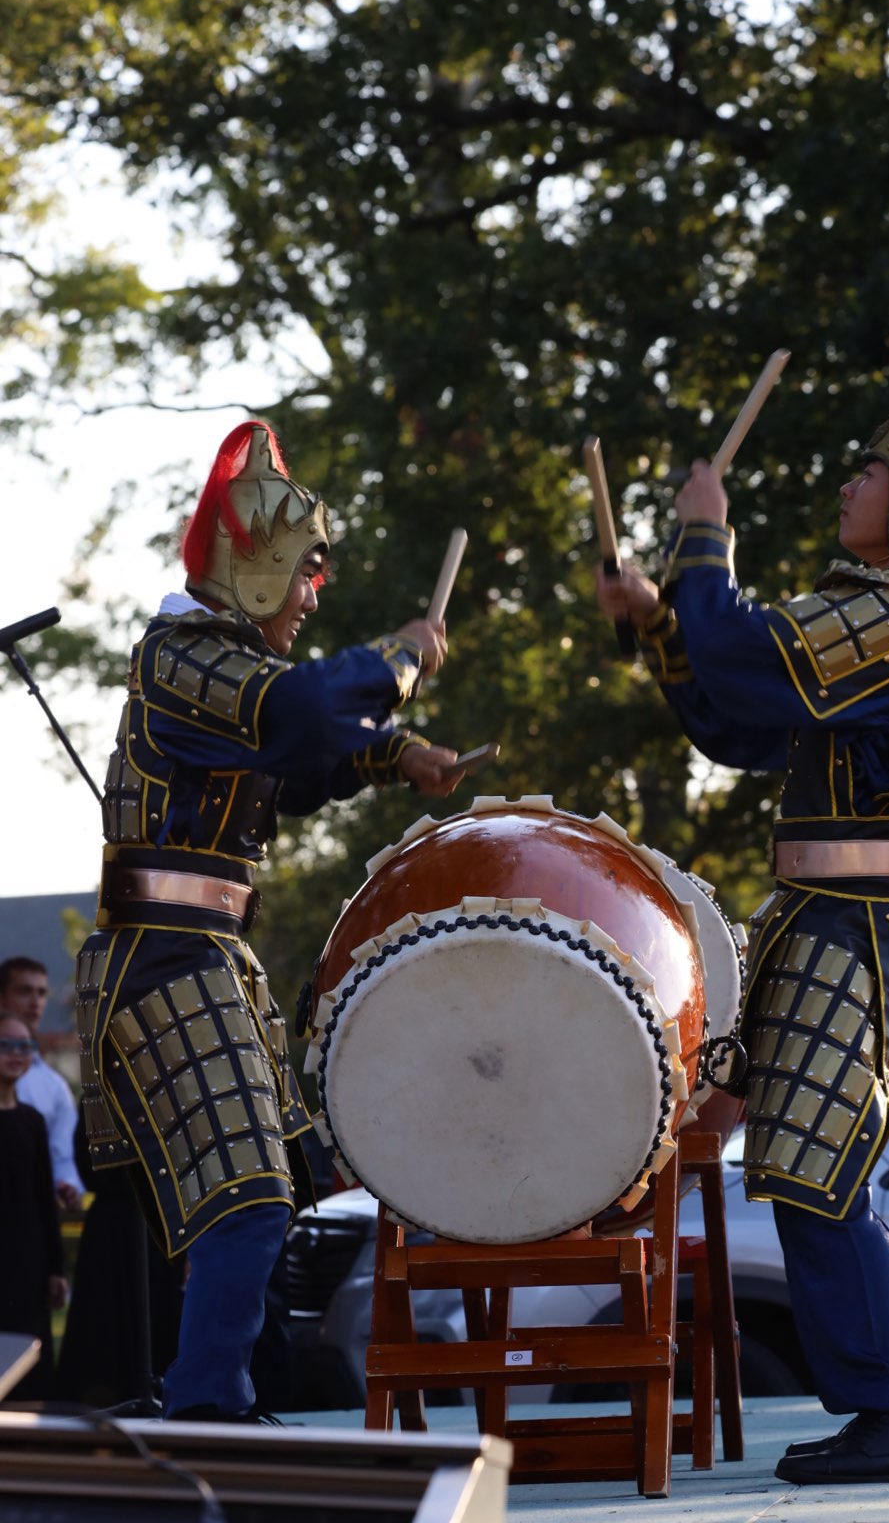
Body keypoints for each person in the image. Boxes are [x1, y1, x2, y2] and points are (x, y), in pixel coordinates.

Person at [595, 378, 889, 1485]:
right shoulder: (886, 612)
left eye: (871, 470)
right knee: (810, 1170)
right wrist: (660, 626)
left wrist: (704, 534)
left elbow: (749, 654)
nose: (850, 482)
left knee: (818, 1172)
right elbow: (735, 719)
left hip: (860, 927)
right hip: (824, 918)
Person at [73, 419, 467, 1422]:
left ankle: (212, 1396)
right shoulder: (185, 657)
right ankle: (207, 1402)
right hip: (164, 955)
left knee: (256, 1189)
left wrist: (393, 754)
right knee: (246, 1192)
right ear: (257, 573)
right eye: (301, 577)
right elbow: (294, 713)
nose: (308, 599)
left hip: (201, 954)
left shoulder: (221, 673)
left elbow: (294, 761)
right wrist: (396, 661)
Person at [0, 1009, 69, 1400]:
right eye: (5, 1045)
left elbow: (45, 1199)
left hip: (28, 1260)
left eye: (24, 1045)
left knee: (31, 1365)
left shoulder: (32, 1121)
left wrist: (56, 1269)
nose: (15, 1053)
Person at [0, 957, 85, 1211]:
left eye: (41, 992)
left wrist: (67, 1186)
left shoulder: (53, 1086)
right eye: (24, 991)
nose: (35, 1002)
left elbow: (64, 1155)